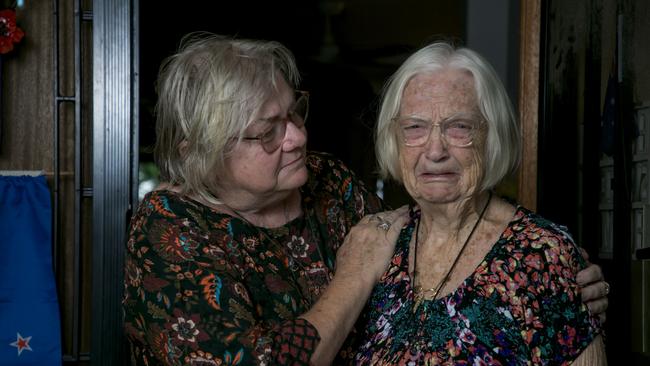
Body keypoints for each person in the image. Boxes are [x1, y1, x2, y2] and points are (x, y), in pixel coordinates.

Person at [122, 33, 608, 366]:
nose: (296, 137)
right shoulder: (171, 229)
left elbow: (431, 242)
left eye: (294, 113)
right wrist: (353, 277)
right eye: (266, 132)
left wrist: (553, 271)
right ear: (201, 155)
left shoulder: (326, 181)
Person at [351, 42, 607, 365]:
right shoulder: (379, 245)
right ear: (394, 140)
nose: (434, 151)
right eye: (415, 127)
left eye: (459, 127)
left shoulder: (542, 255)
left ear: (492, 136)